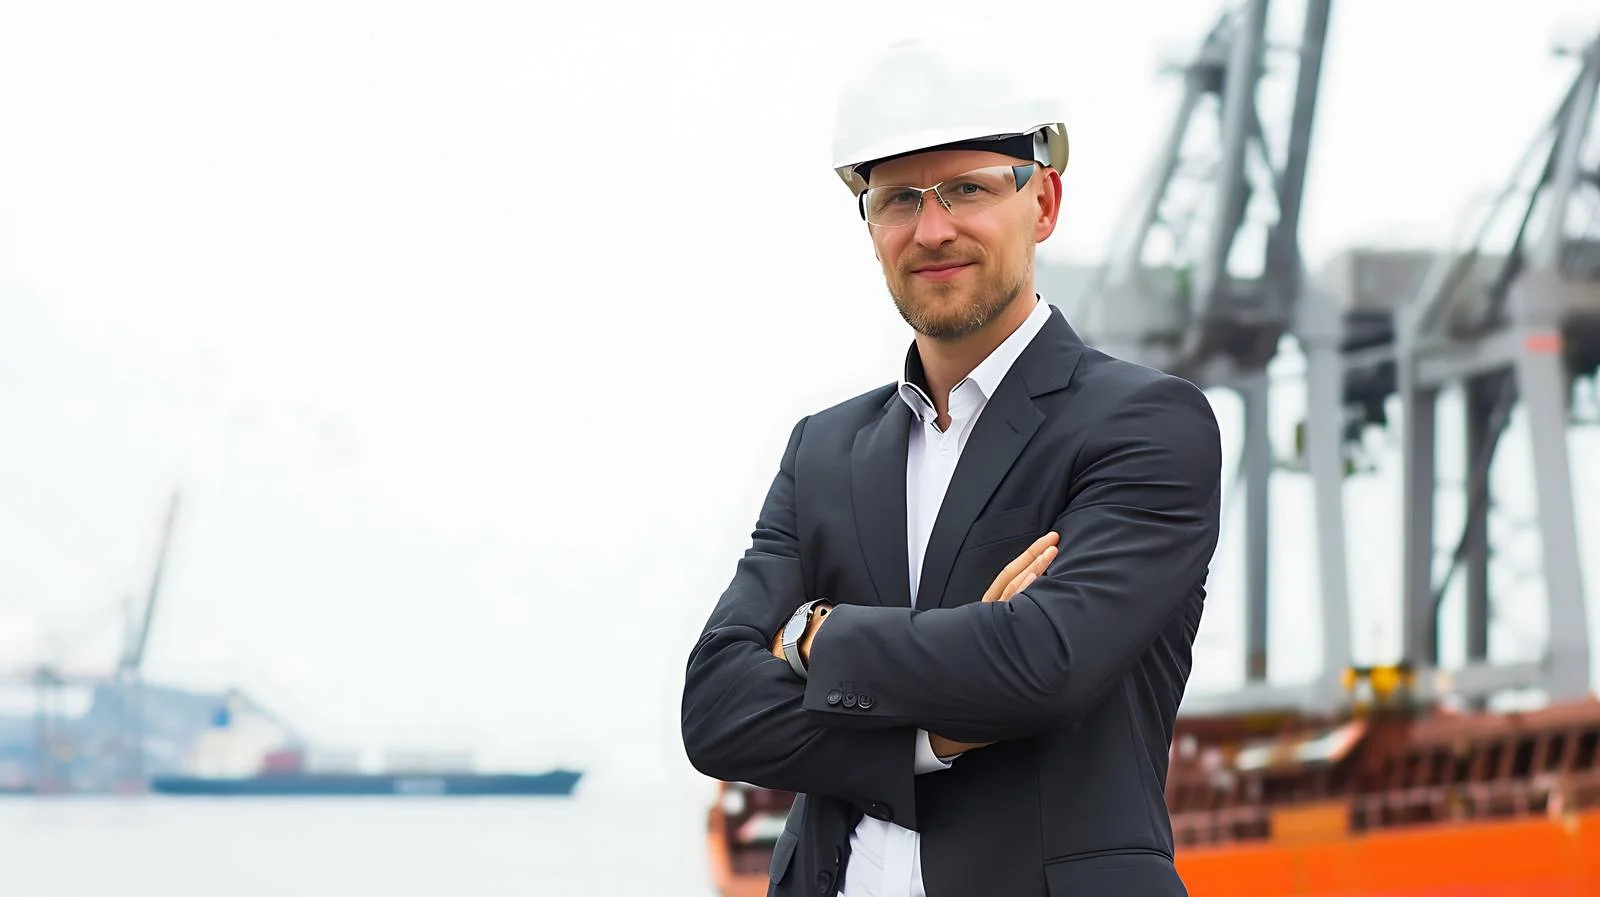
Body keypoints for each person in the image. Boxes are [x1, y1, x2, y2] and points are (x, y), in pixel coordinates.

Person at [680, 30, 1223, 897]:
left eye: (966, 188)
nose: (931, 229)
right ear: (870, 226)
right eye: (898, 200)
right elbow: (714, 710)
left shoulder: (1146, 426)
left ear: (1042, 203)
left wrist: (814, 635)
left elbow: (1044, 663)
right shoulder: (821, 449)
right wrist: (936, 733)